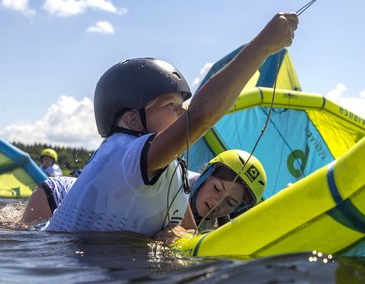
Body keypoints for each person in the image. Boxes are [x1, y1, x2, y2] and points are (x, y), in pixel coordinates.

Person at [44, 12, 297, 239]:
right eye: (171, 106)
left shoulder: (170, 169)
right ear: (133, 120)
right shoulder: (124, 153)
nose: (181, 111)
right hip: (62, 266)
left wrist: (178, 234)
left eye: (181, 105)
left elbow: (187, 231)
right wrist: (263, 46)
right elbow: (199, 117)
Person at [21, 149, 267, 228]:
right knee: (23, 237)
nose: (218, 202)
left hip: (92, 209)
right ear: (205, 176)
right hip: (58, 194)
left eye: (230, 204)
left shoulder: (215, 222)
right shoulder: (176, 180)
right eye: (217, 188)